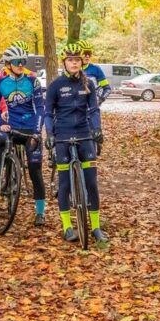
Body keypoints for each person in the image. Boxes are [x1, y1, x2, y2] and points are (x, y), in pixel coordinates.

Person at [44, 43, 106, 243]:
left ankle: (96, 227)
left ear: (81, 62)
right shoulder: (55, 85)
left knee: (92, 184)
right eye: (70, 60)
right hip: (62, 136)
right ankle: (67, 227)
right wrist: (50, 134)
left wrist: (97, 129)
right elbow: (47, 113)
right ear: (64, 62)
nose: (74, 63)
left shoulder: (88, 84)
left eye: (77, 60)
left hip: (84, 134)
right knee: (64, 185)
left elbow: (94, 109)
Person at [0, 46, 47, 225]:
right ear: (8, 64)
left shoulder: (32, 81)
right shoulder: (1, 82)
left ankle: (40, 212)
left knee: (35, 170)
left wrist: (36, 131)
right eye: (17, 62)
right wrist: (1, 124)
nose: (21, 65)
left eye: (23, 62)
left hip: (29, 130)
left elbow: (41, 107)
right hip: (10, 128)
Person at [77, 40, 111, 105]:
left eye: (89, 53)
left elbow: (107, 89)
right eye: (85, 53)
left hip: (91, 106)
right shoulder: (71, 70)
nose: (87, 56)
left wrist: (101, 99)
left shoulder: (96, 69)